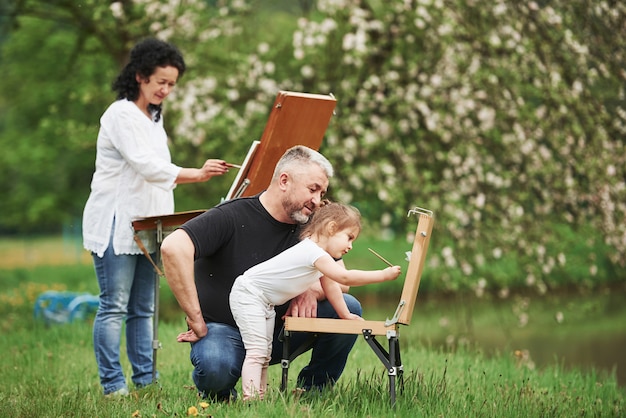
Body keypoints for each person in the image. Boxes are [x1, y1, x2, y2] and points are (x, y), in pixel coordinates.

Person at [82, 38, 232, 397]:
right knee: (114, 306)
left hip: (150, 225)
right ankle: (113, 385)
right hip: (117, 224)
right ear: (140, 77)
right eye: (160, 81)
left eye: (172, 84)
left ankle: (145, 381)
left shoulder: (153, 118)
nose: (166, 89)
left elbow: (157, 173)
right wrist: (196, 173)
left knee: (144, 308)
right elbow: (147, 167)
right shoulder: (119, 115)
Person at [161, 145, 363, 401]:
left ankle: (313, 393)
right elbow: (173, 247)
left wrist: (310, 289)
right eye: (312, 189)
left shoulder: (313, 225)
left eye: (322, 192)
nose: (317, 200)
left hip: (280, 329)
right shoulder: (231, 215)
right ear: (284, 181)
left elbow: (341, 281)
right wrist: (195, 318)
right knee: (215, 368)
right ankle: (222, 394)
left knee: (348, 308)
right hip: (226, 332)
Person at [230, 201, 402, 400]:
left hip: (263, 301)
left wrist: (345, 315)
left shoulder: (319, 256)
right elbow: (344, 278)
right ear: (331, 228)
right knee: (257, 352)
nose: (350, 246)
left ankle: (259, 397)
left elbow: (331, 288)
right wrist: (383, 275)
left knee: (265, 355)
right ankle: (250, 399)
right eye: (349, 237)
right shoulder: (313, 252)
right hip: (249, 294)